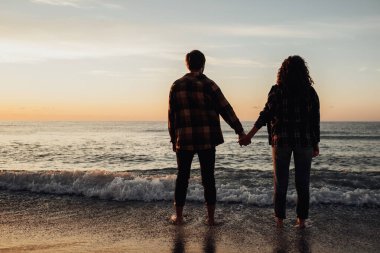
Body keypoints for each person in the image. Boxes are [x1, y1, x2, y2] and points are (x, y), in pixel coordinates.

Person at [239, 55, 320, 228]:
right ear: (304, 72)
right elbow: (315, 120)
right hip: (304, 141)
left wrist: (249, 136)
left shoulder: (277, 90)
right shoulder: (310, 92)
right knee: (303, 182)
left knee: (280, 182)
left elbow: (265, 114)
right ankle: (301, 221)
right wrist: (315, 143)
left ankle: (280, 220)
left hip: (281, 141)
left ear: (282, 71)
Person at [168, 50, 246, 225]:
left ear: (187, 65)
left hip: (184, 139)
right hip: (207, 139)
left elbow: (171, 116)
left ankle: (179, 217)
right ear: (203, 65)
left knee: (182, 177)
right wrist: (240, 132)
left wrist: (174, 139)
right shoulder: (210, 85)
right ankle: (210, 219)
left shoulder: (176, 86)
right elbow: (226, 109)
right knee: (208, 177)